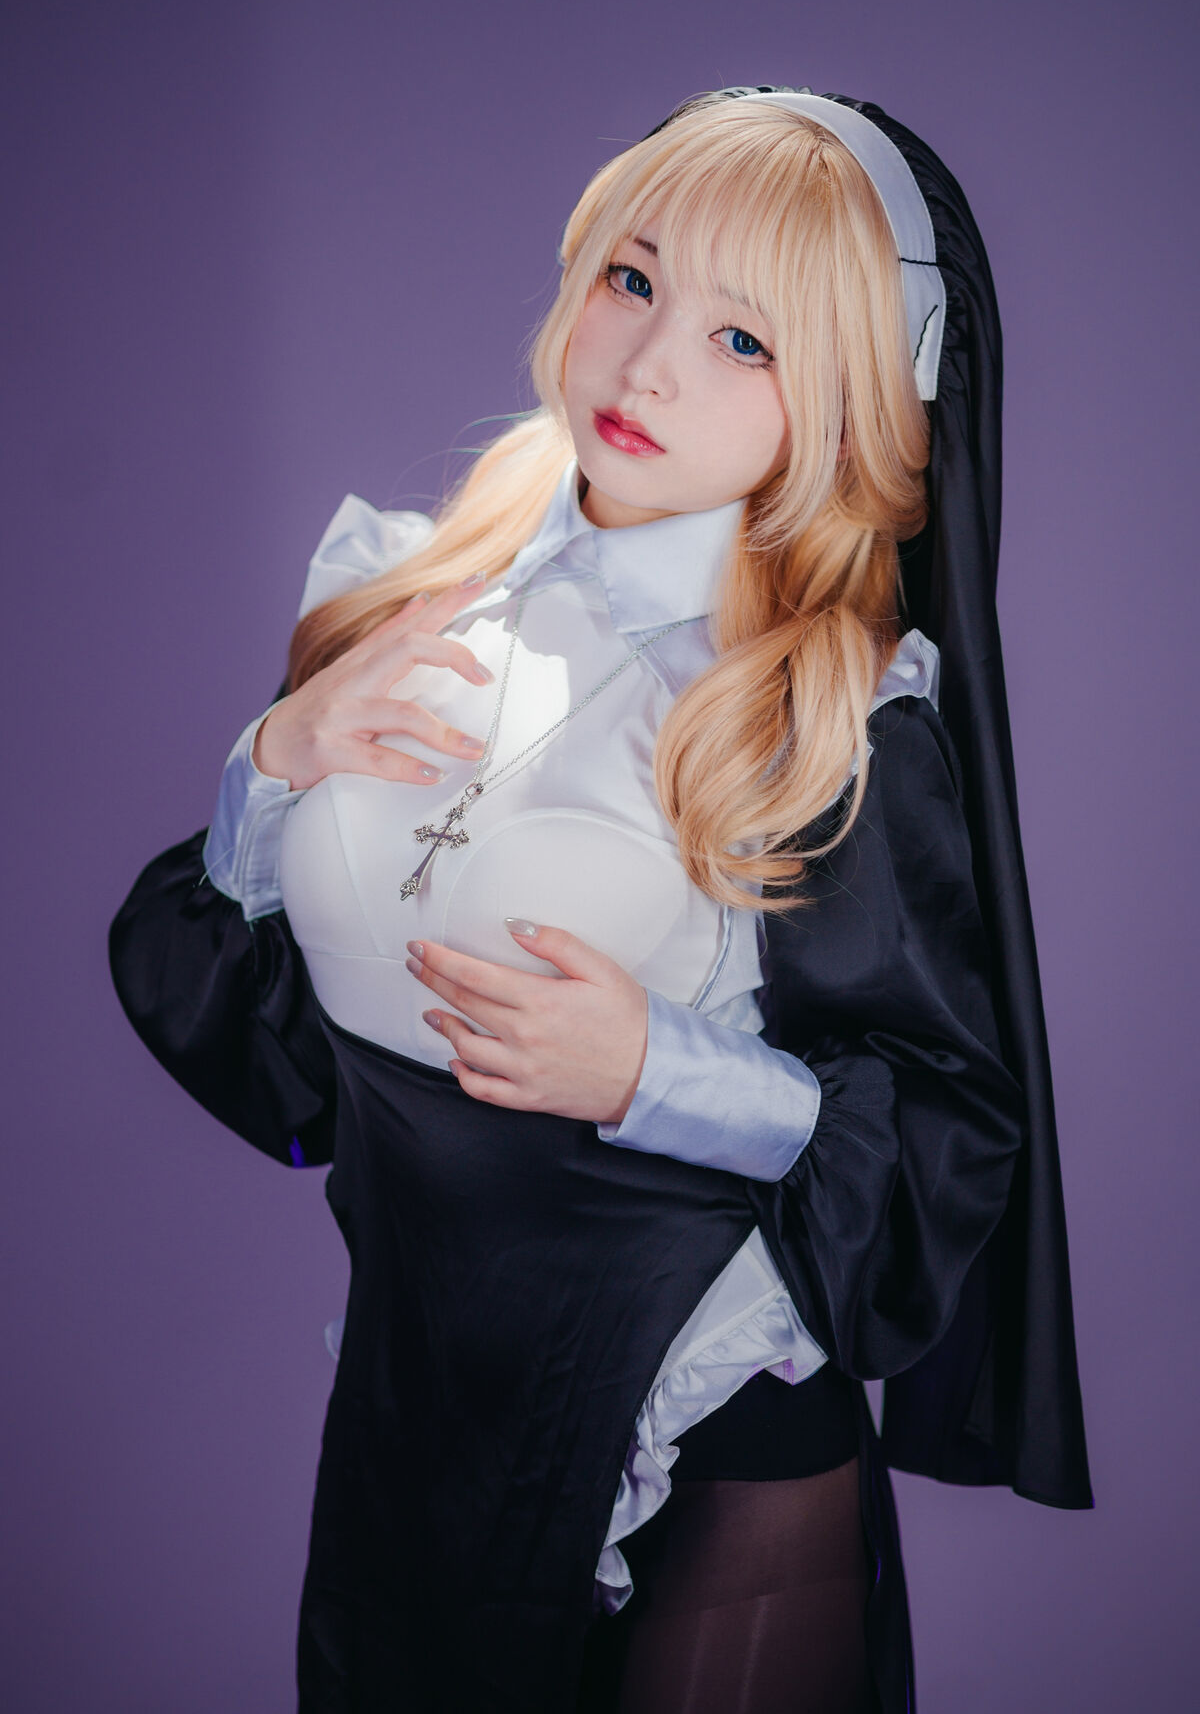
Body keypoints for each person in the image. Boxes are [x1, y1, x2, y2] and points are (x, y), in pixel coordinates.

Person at [108, 86, 1093, 1713]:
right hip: (418, 1417)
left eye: (744, 340)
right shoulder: (406, 590)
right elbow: (272, 1065)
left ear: (853, 402)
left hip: (709, 1440)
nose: (648, 367)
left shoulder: (830, 716)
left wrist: (655, 1072)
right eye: (635, 280)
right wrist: (272, 766)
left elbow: (939, 1136)